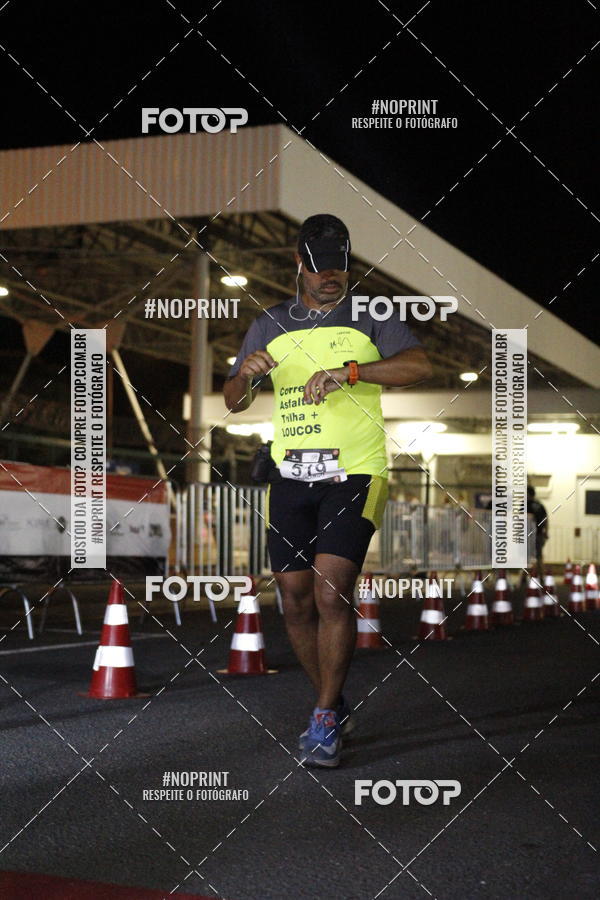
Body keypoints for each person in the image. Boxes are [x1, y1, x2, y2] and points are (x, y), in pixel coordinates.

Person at [223, 213, 431, 767]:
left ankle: (320, 719)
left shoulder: (370, 316)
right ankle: (332, 702)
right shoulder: (269, 323)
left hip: (356, 473)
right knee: (292, 598)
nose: (330, 278)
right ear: (300, 265)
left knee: (328, 589)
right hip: (289, 476)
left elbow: (418, 364)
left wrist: (353, 373)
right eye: (319, 270)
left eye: (339, 267)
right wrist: (244, 374)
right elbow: (232, 399)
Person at [527, 485, 548, 576]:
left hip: (528, 535)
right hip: (538, 533)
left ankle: (524, 578)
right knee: (539, 556)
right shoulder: (540, 505)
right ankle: (542, 577)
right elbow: (546, 519)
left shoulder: (525, 505)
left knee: (526, 557)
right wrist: (546, 531)